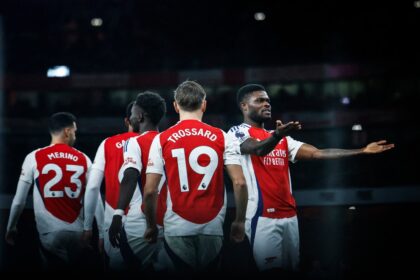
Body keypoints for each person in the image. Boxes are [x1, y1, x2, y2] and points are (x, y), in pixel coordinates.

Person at [227, 84, 395, 272]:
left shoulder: (282, 139)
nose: (267, 104)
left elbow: (318, 153)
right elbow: (257, 149)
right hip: (262, 217)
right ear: (244, 106)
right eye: (260, 100)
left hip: (290, 217)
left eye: (268, 101)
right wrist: (277, 135)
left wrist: (361, 151)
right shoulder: (236, 133)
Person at [142, 80, 248, 272]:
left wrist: (150, 226)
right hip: (212, 227)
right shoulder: (223, 137)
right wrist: (239, 221)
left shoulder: (162, 139)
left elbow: (150, 191)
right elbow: (240, 183)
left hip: (177, 227)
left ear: (175, 106)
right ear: (204, 105)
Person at [5, 112, 98, 270]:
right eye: (74, 131)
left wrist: (11, 227)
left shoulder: (34, 157)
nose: (75, 136)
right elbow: (93, 197)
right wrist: (92, 229)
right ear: (67, 131)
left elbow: (19, 201)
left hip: (50, 232)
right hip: (78, 232)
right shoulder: (84, 158)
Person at [108, 91, 167, 272]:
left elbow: (130, 176)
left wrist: (117, 214)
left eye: (133, 112)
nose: (131, 116)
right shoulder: (170, 140)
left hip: (142, 222)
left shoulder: (134, 142)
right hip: (172, 222)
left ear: (140, 116)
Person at [82, 101, 139, 270]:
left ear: (126, 121)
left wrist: (88, 227)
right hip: (148, 223)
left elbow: (92, 187)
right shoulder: (157, 142)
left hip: (114, 223)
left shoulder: (108, 144)